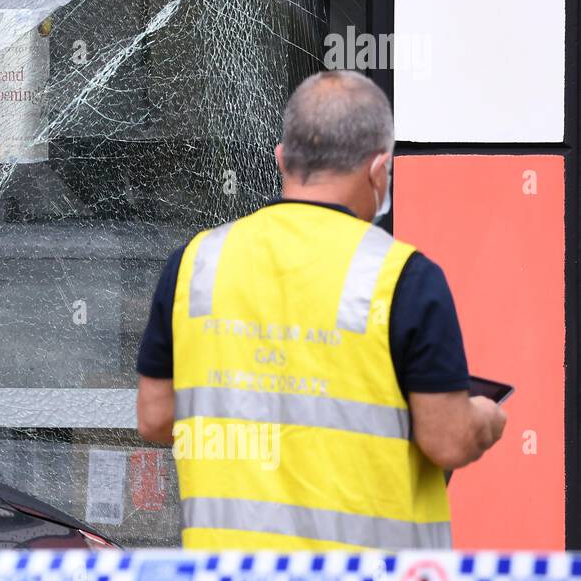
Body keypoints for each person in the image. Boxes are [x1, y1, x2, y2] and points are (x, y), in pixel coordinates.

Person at [135, 70, 506, 550]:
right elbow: (449, 440)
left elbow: (156, 419)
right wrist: (485, 417)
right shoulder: (404, 278)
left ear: (282, 159)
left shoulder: (195, 263)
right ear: (378, 170)